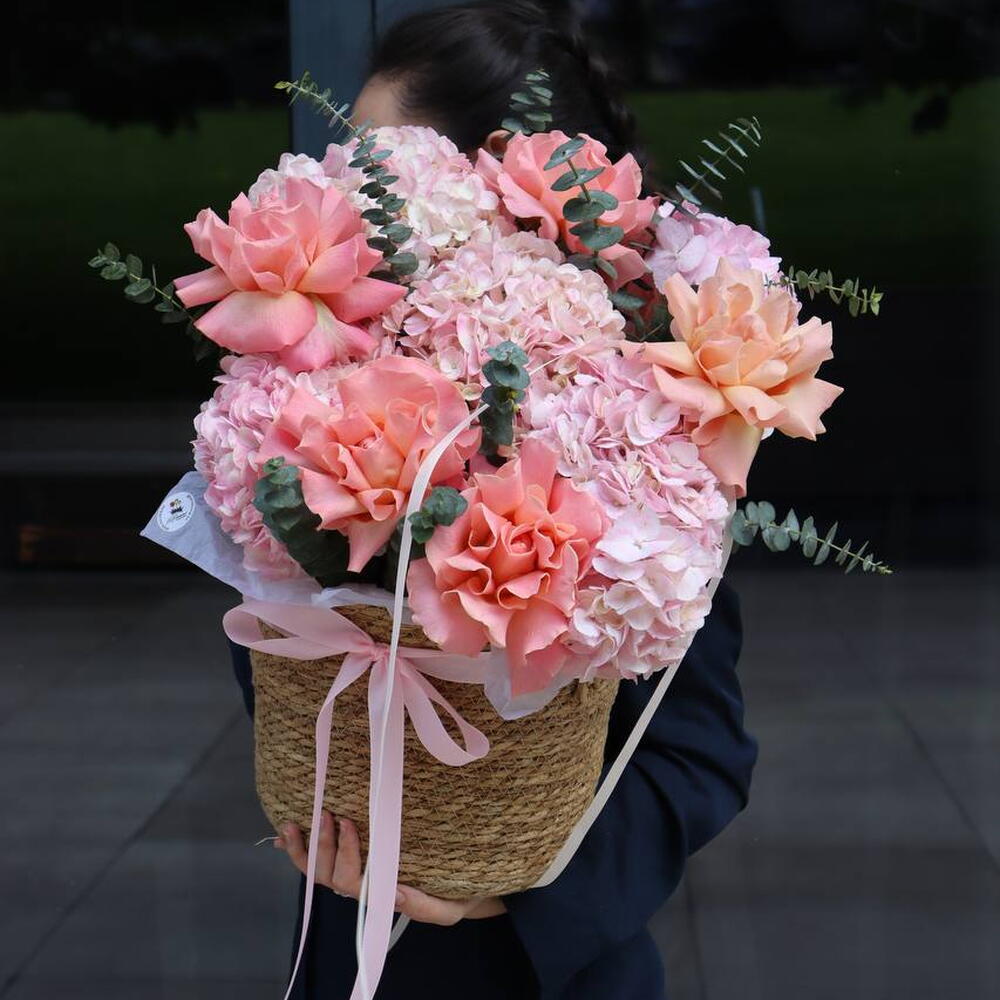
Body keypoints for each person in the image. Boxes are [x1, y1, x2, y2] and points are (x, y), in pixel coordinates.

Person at [228, 2, 758, 997]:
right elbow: (272, 645)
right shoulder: (315, 402)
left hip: (549, 976)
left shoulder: (646, 442)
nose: (351, 203)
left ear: (497, 192)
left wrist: (515, 895)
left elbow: (701, 753)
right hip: (346, 956)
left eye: (380, 172)